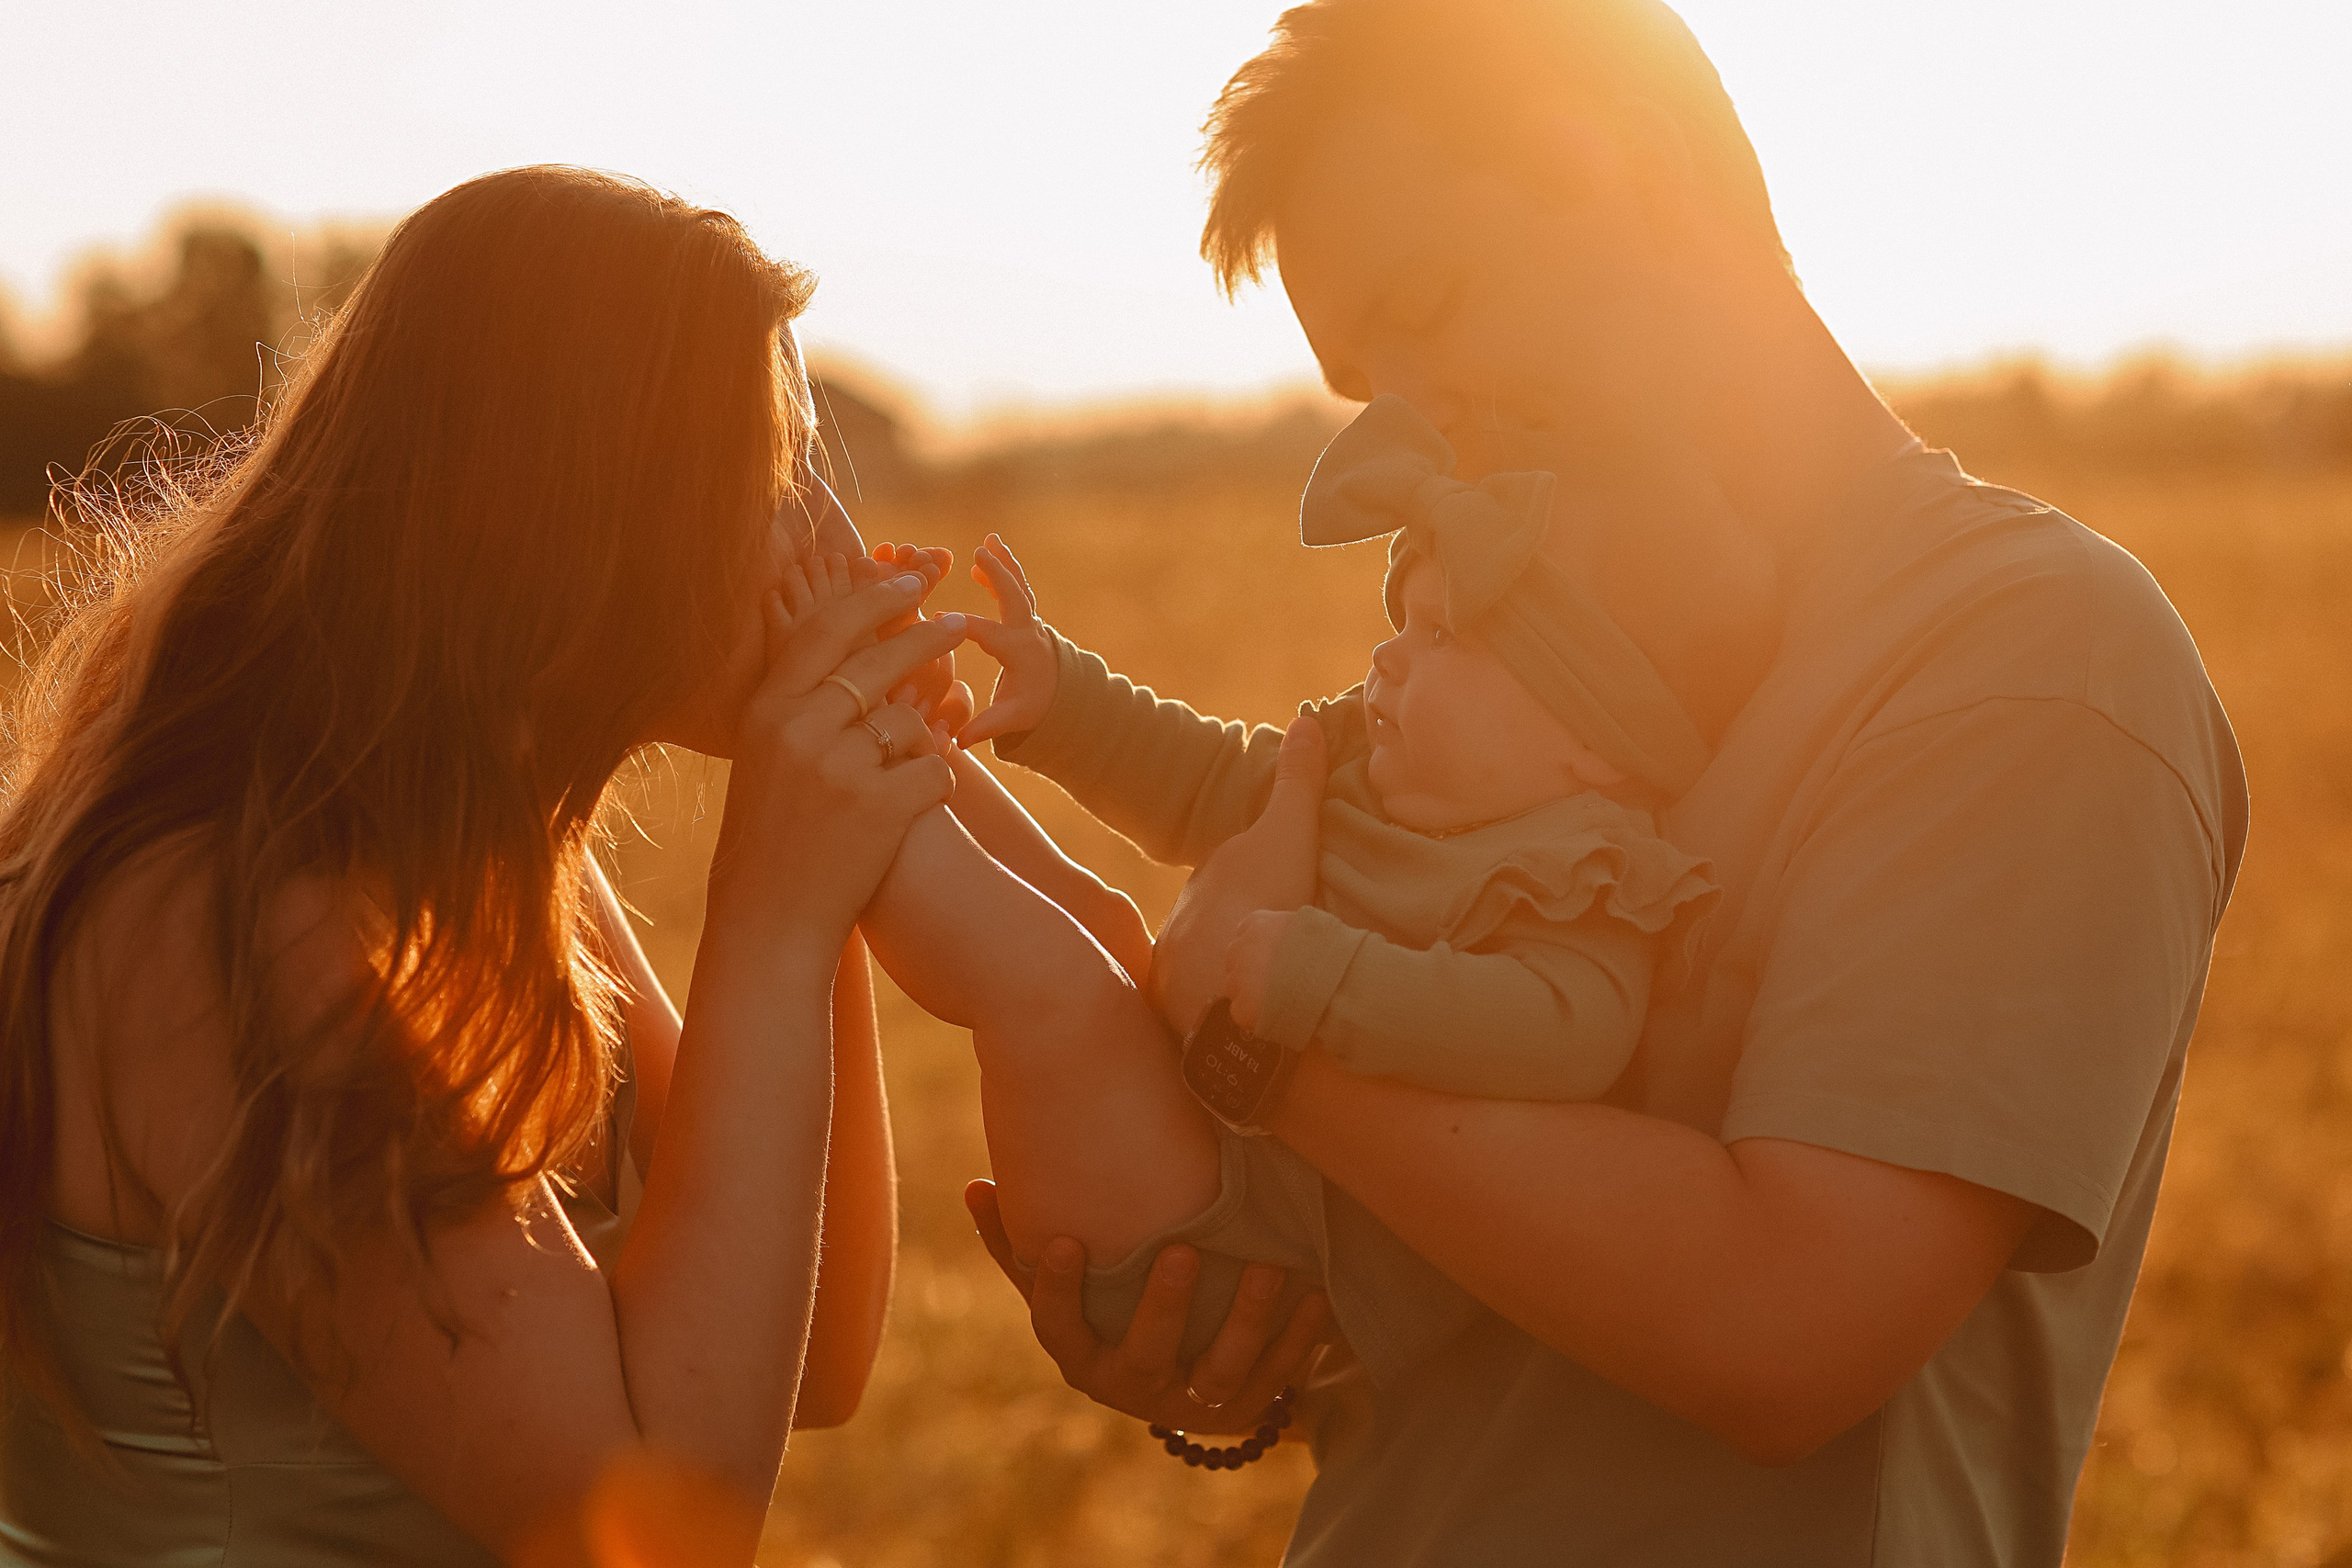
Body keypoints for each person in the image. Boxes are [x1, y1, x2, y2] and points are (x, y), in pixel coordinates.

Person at [962, 2, 2251, 1562]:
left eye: (1436, 303)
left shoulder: (2033, 658)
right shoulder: (1508, 629)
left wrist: (1258, 1038)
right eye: (1368, 378)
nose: (1419, 419)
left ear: (1628, 166)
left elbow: (1787, 1329)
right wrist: (1232, 1339)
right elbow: (1471, 1274)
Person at [0, 166, 967, 1565]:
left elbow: (804, 1356)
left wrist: (825, 870)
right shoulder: (229, 922)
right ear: (600, 510)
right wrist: (771, 908)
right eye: (773, 475)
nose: (821, 540)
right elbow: (658, 1529)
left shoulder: (487, 849)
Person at [855, 393, 1723, 1395]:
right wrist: (1069, 699)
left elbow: (1570, 1029)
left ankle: (843, 774)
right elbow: (1210, 777)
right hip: (1198, 1155)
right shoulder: (1365, 768)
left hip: (1232, 1247)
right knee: (1097, 924)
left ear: (1591, 737)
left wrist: (1326, 980)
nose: (1390, 655)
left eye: (1442, 638)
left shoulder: (1583, 868)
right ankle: (899, 730)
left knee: (1050, 980)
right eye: (1403, 621)